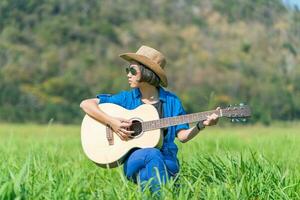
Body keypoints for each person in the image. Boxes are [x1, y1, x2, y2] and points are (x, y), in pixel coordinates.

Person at [80, 45, 219, 194]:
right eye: (128, 70)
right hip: (134, 159)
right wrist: (112, 122)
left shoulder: (172, 101)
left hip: (168, 162)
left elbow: (183, 136)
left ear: (147, 73)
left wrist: (201, 125)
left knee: (148, 177)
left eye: (132, 71)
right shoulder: (126, 98)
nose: (128, 74)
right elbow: (86, 104)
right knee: (152, 154)